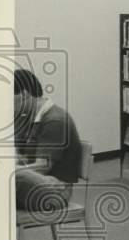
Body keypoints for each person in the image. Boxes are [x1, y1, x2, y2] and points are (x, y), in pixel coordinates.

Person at [13, 68, 83, 212]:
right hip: (33, 184)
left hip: (55, 193)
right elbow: (20, 155)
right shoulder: (28, 118)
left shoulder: (55, 120)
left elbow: (43, 167)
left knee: (11, 176)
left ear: (24, 94)